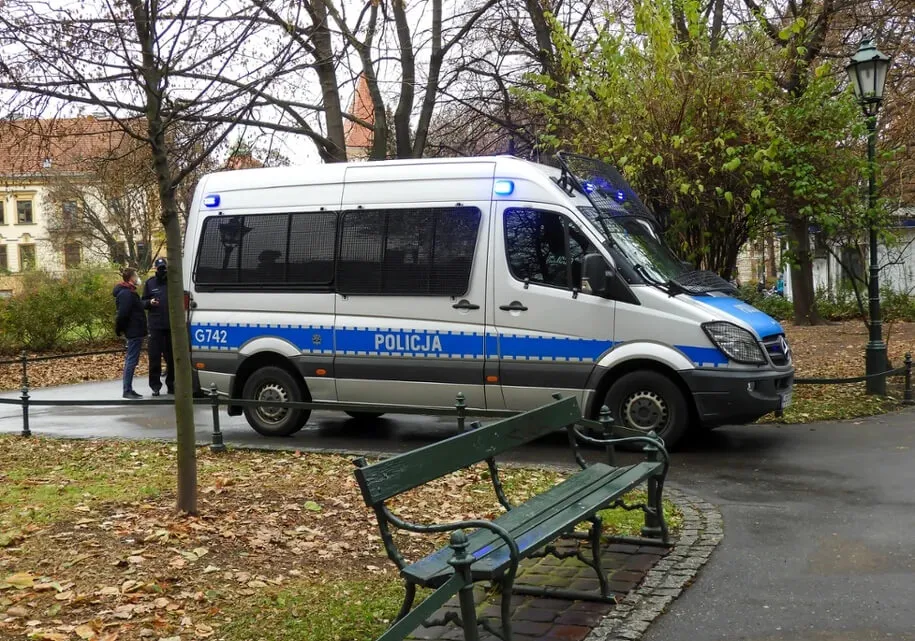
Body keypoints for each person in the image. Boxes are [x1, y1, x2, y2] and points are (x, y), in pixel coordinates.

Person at [113, 267, 148, 400]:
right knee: (131, 360)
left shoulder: (129, 292)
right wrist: (119, 329)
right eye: (137, 275)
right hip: (133, 331)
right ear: (132, 278)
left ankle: (129, 389)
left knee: (132, 360)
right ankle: (127, 389)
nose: (138, 278)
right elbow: (123, 314)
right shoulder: (127, 294)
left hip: (135, 330)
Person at [143, 257, 175, 396]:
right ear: (156, 268)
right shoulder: (150, 283)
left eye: (164, 267)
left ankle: (172, 384)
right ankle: (155, 386)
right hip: (155, 327)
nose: (162, 270)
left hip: (170, 326)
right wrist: (150, 302)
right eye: (160, 267)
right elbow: (142, 302)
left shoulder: (173, 282)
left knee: (172, 359)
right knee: (154, 358)